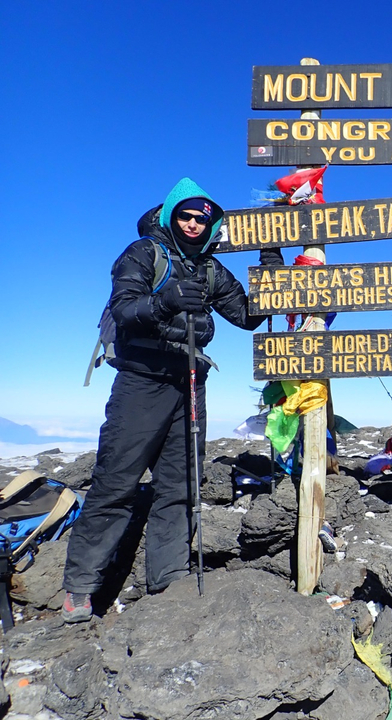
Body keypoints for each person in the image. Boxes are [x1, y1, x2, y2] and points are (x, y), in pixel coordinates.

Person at [62, 177, 282, 622]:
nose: (196, 224)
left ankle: (170, 578)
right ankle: (80, 589)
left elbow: (248, 316)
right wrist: (163, 302)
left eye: (204, 218)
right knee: (115, 483)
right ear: (170, 215)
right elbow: (124, 308)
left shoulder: (209, 268)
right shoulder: (144, 253)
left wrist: (270, 264)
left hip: (190, 381)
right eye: (187, 215)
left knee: (182, 485)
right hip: (142, 382)